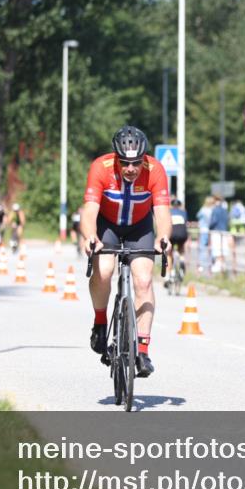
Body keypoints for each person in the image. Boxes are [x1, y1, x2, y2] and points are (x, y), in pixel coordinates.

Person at [81, 125, 172, 378]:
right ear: (116, 159)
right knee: (105, 269)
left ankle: (142, 351)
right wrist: (91, 237)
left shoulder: (156, 170)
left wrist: (164, 237)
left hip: (139, 228)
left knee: (143, 280)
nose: (131, 169)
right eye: (124, 163)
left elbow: (163, 213)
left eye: (136, 163)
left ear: (144, 158)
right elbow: (89, 211)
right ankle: (100, 322)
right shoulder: (100, 167)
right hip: (107, 225)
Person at [168, 198, 190, 278]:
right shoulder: (183, 212)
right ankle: (182, 259)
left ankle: (168, 274)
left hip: (172, 233)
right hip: (182, 233)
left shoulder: (169, 212)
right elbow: (186, 223)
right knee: (181, 248)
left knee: (169, 253)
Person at [196, 196, 214, 274]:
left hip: (203, 230)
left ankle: (201, 266)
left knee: (202, 248)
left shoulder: (203, 210)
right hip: (210, 231)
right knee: (211, 248)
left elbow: (198, 216)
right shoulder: (212, 210)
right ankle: (212, 265)